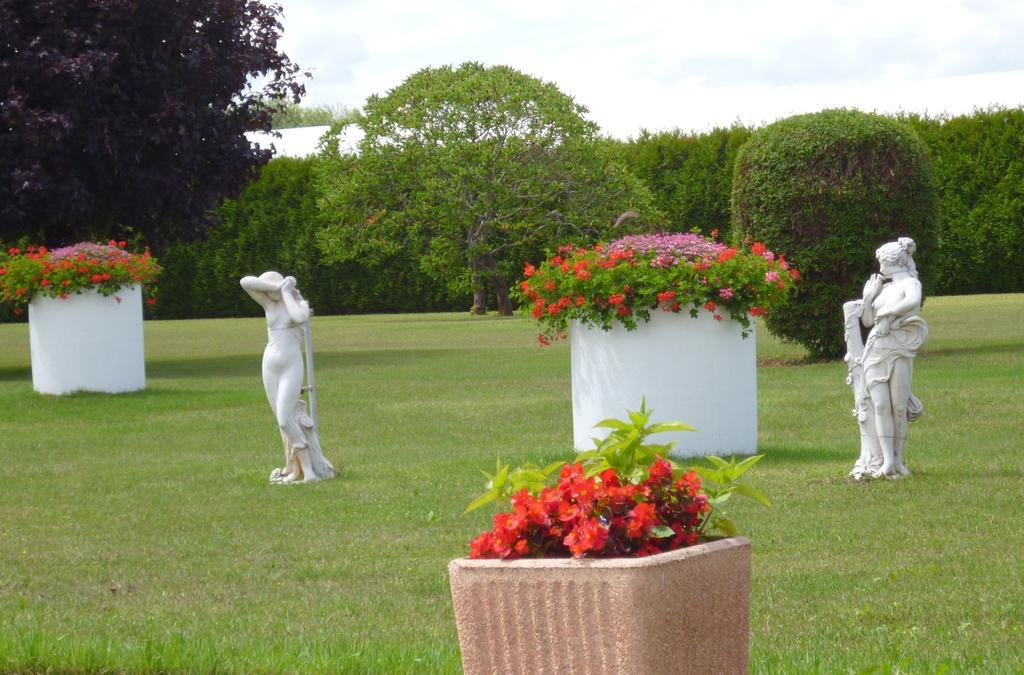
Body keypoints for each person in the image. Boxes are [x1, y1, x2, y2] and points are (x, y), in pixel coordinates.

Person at [240, 271, 334, 483]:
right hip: (270, 365)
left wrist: (286, 292)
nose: (267, 291)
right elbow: (244, 282)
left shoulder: (296, 304)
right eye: (265, 288)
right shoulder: (268, 303)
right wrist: (274, 288)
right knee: (281, 421)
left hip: (291, 365)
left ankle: (310, 471)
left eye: (272, 286)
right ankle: (295, 469)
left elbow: (299, 317)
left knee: (285, 419)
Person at [857, 238, 927, 478]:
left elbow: (912, 302)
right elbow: (867, 321)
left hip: (900, 347)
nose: (879, 267)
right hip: (876, 348)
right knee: (880, 405)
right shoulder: (883, 288)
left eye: (881, 262)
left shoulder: (910, 283)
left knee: (898, 407)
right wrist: (868, 299)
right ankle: (886, 462)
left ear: (890, 261)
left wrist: (888, 313)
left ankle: (898, 461)